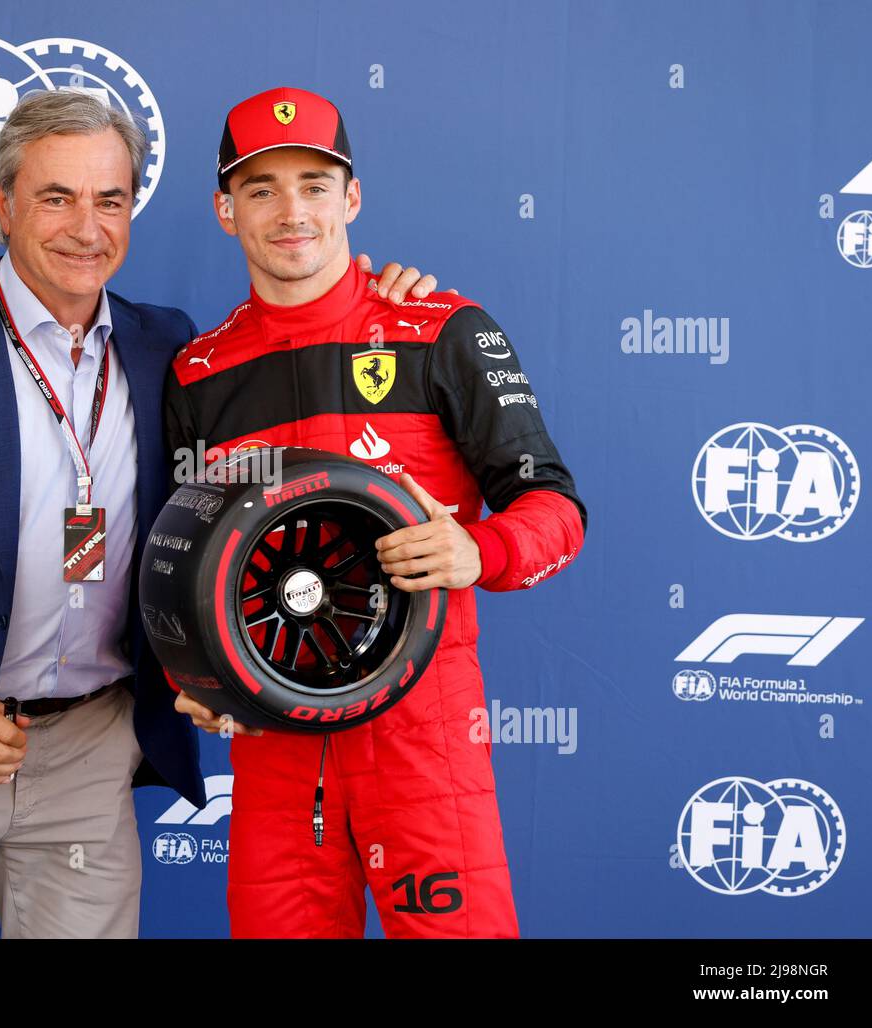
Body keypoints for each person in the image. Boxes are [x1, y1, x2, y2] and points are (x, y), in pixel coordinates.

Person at [0, 88, 437, 938]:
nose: (86, 227)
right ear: (5, 204)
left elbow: (266, 469)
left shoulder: (173, 348)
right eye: (56, 198)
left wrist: (381, 302)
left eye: (110, 200)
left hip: (94, 749)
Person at [163, 87, 589, 938]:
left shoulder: (445, 328)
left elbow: (556, 507)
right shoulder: (197, 373)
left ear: (351, 198)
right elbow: (176, 558)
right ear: (224, 209)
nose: (292, 212)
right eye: (261, 189)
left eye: (315, 185)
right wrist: (193, 680)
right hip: (274, 747)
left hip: (424, 737)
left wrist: (480, 550)